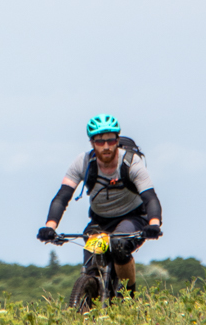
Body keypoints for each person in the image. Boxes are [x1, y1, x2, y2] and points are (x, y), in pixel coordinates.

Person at [38, 114, 163, 296]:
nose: (106, 146)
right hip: (101, 221)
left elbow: (150, 198)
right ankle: (89, 299)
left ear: (117, 140)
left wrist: (154, 224)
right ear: (92, 143)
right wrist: (50, 227)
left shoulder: (130, 162)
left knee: (118, 244)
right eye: (99, 141)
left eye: (110, 140)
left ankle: (129, 298)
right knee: (92, 260)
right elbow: (62, 197)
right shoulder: (83, 163)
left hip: (133, 217)